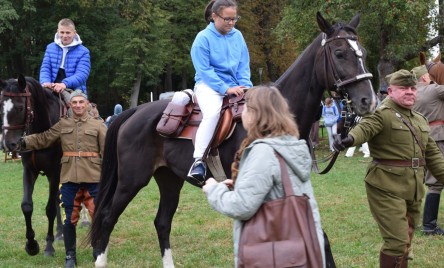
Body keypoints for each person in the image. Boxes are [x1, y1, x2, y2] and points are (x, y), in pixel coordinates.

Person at [202, 85, 325, 267]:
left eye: (245, 108)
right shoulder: (291, 145)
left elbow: (242, 206)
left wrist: (214, 190)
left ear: (255, 113)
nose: (242, 113)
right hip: (304, 249)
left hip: (275, 257)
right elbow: (278, 187)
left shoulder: (264, 152)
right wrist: (241, 185)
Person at [333, 69, 444, 267]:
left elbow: (434, 156)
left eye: (412, 88)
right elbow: (366, 127)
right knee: (397, 242)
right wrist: (350, 139)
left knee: (406, 239)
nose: (410, 92)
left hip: (413, 187)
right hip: (386, 187)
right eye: (403, 88)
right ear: (391, 91)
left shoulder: (419, 119)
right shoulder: (382, 114)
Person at [19, 90, 106, 268]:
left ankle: (97, 250)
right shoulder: (63, 124)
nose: (78, 106)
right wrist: (24, 142)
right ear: (70, 106)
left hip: (93, 176)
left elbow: (106, 152)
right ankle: (70, 256)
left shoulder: (98, 126)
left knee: (98, 215)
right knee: (69, 219)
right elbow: (44, 138)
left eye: (81, 102)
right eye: (75, 103)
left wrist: (108, 175)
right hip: (69, 177)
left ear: (87, 104)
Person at [187, 0, 253, 186]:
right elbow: (204, 70)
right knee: (214, 112)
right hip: (208, 86)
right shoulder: (202, 38)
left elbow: (243, 63)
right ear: (214, 16)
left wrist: (246, 86)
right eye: (227, 19)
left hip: (237, 85)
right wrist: (225, 89)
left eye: (234, 19)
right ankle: (199, 161)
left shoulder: (238, 36)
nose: (231, 23)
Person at [411, 64, 444, 235]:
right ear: (425, 77)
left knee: (416, 178)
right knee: (435, 182)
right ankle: (429, 226)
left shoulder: (410, 93)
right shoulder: (434, 90)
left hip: (415, 138)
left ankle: (409, 219)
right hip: (436, 138)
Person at [40, 18, 91, 103]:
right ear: (58, 31)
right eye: (62, 32)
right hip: (51, 86)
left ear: (74, 33)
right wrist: (45, 82)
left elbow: (82, 74)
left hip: (75, 89)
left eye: (68, 32)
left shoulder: (84, 51)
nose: (64, 36)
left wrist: (64, 84)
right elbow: (45, 68)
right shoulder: (50, 47)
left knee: (74, 109)